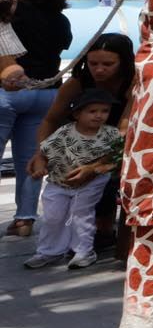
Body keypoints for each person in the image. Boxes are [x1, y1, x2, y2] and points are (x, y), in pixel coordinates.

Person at [1, 0, 73, 238]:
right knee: (30, 160)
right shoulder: (61, 21)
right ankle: (25, 219)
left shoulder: (12, 14)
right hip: (45, 94)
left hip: (8, 90)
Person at [23, 88, 122, 269]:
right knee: (53, 216)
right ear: (77, 113)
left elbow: (116, 156)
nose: (99, 116)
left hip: (91, 182)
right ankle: (49, 251)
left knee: (81, 215)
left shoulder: (111, 134)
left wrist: (100, 169)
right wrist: (39, 169)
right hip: (58, 182)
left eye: (104, 111)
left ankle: (83, 251)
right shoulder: (64, 133)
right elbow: (43, 153)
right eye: (92, 111)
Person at [37, 34, 137, 152]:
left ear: (124, 63)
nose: (99, 70)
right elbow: (50, 120)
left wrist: (97, 165)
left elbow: (124, 129)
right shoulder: (78, 81)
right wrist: (40, 154)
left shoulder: (135, 81)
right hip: (81, 143)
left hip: (124, 140)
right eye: (93, 63)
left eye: (108, 64)